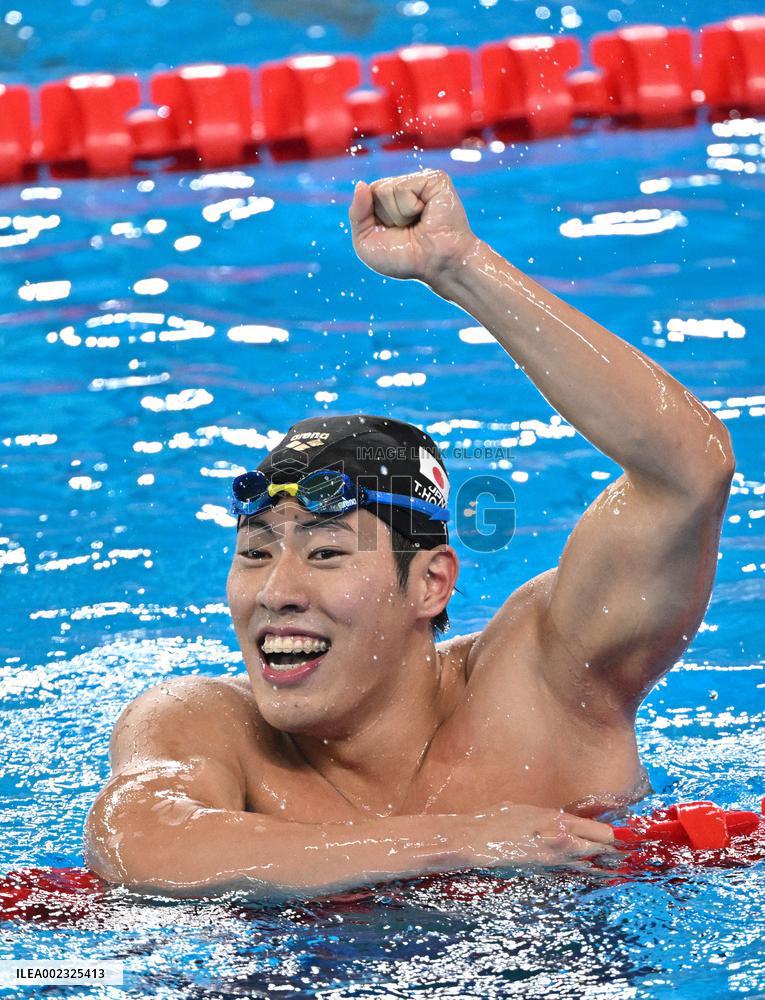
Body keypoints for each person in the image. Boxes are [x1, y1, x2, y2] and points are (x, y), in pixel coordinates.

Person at [85, 170, 734, 899]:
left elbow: (688, 473)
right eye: (255, 552)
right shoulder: (206, 724)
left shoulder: (547, 682)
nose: (275, 591)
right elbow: (135, 839)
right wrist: (455, 841)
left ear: (430, 582)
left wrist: (460, 267)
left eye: (326, 552)